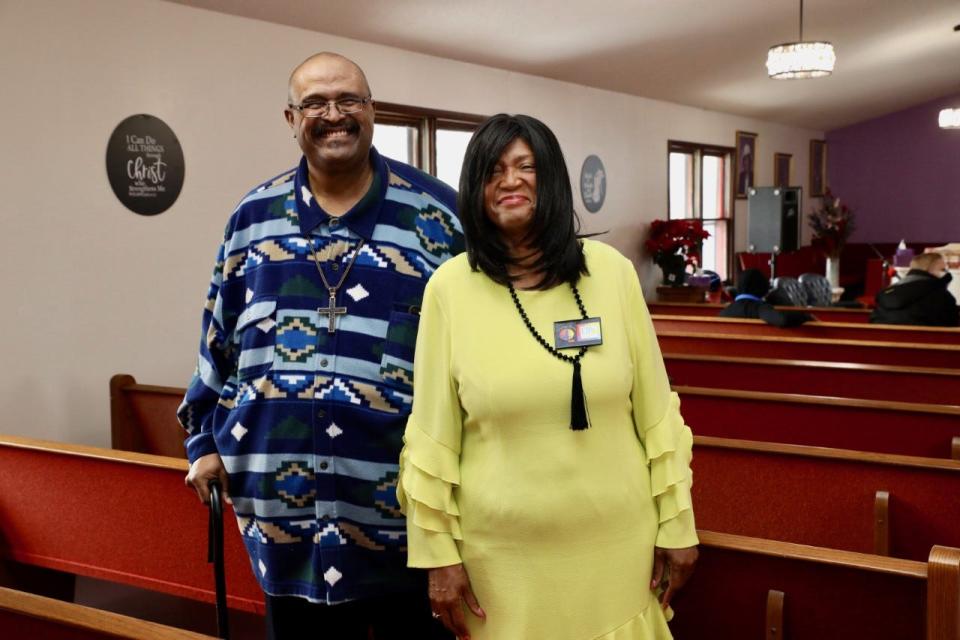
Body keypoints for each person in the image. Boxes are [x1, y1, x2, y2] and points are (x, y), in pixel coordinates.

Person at [177, 52, 462, 639]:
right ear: (291, 117)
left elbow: (477, 356)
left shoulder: (439, 215)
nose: (334, 115)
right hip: (285, 525)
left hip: (409, 526)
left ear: (372, 111)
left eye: (348, 100)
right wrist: (202, 441)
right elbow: (217, 341)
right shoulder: (251, 220)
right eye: (315, 103)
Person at [396, 114, 698, 640]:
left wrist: (678, 521)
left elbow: (657, 415)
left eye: (525, 166)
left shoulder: (612, 273)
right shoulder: (450, 288)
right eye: (492, 171)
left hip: (616, 550)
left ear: (552, 178)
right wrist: (437, 553)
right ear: (475, 189)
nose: (509, 181)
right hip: (501, 564)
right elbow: (431, 437)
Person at [871, 253, 959, 326]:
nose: (945, 273)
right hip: (927, 343)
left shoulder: (886, 293)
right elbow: (951, 327)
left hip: (882, 342)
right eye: (943, 269)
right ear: (930, 270)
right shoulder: (941, 296)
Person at [720, 269, 812, 327]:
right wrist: (805, 316)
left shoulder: (724, 312)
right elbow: (781, 320)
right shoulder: (760, 308)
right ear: (762, 287)